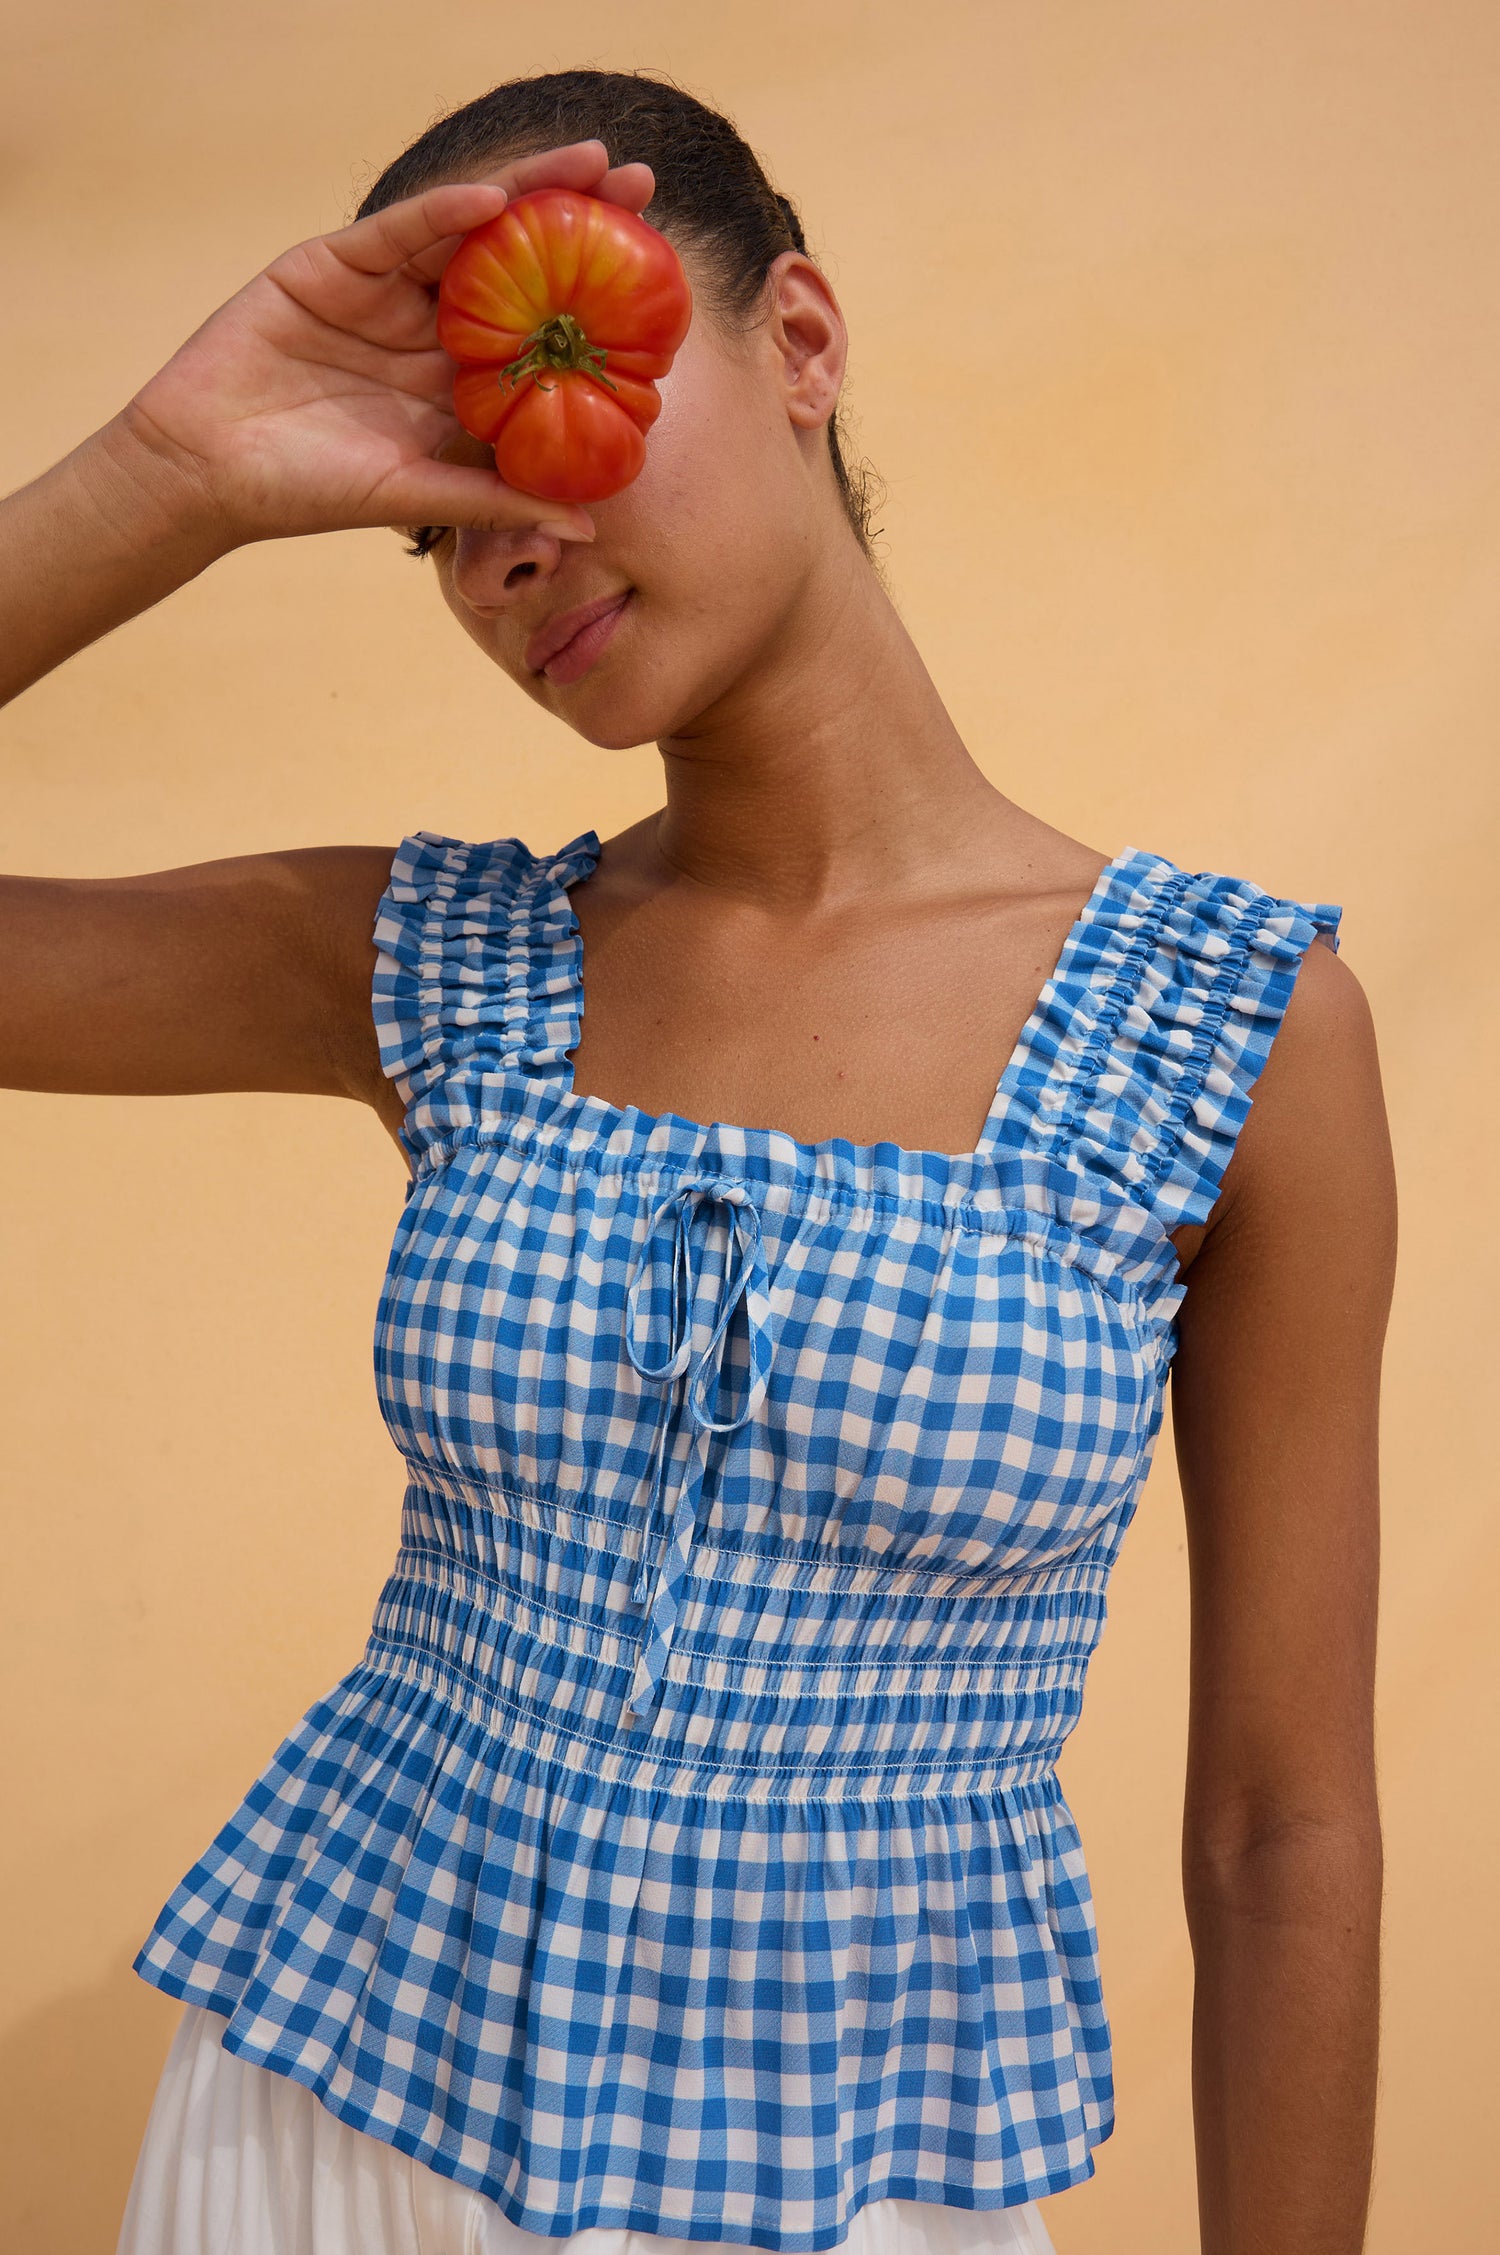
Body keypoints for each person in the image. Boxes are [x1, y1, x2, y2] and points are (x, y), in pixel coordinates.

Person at [0, 68, 1393, 2255]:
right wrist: (169, 475)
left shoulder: (1234, 1030)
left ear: (799, 342)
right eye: (429, 517)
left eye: (543, 401)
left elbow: (1282, 1830)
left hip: (858, 2182)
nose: (494, 550)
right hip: (325, 2146)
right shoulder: (436, 966)